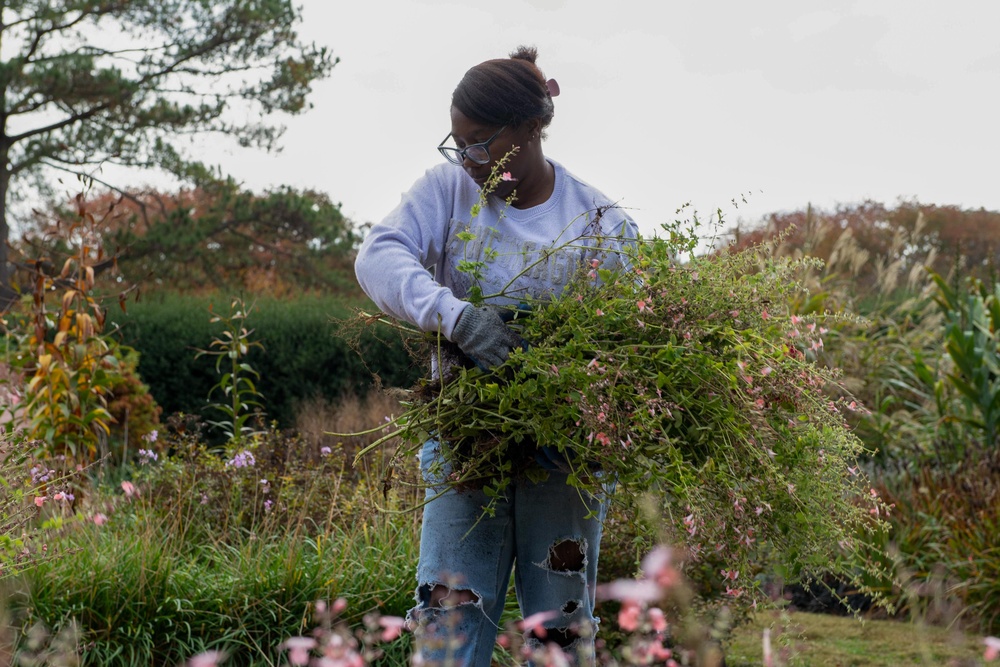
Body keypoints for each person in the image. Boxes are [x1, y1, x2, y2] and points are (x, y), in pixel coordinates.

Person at [354, 46, 638, 666]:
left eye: (482, 144)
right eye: (459, 144)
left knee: (559, 626)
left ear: (531, 130)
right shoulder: (449, 191)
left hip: (564, 450)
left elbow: (631, 339)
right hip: (464, 439)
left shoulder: (597, 224)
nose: (470, 160)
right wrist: (457, 318)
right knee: (447, 617)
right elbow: (377, 257)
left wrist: (580, 389)